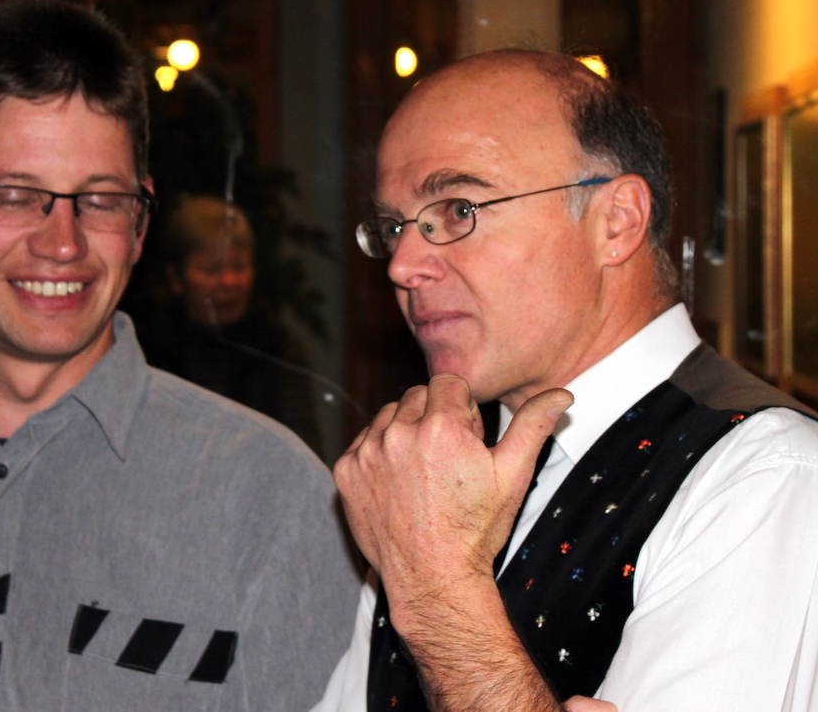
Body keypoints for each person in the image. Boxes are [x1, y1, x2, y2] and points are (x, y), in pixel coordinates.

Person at [0, 0, 360, 711]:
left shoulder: (268, 500)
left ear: (140, 223)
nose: (62, 243)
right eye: (13, 195)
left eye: (100, 200)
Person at [318, 50, 818, 712]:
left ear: (618, 220)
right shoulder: (435, 470)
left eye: (459, 209)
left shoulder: (764, 478)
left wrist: (436, 590)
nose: (403, 264)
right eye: (392, 227)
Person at [139, 194, 322, 452]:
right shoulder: (149, 351)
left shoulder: (276, 348)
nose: (229, 282)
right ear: (176, 278)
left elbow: (303, 450)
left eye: (239, 267)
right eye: (211, 269)